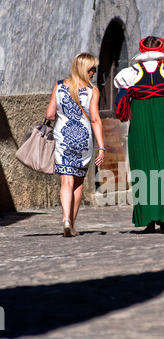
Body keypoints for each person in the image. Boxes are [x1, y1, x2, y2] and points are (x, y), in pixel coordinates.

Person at [114, 36, 164, 233]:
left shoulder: (130, 74)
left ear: (142, 48)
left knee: (144, 167)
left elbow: (121, 99)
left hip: (141, 118)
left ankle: (148, 219)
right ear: (162, 48)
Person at [46, 52, 105, 237]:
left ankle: (65, 219)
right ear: (84, 69)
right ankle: (72, 225)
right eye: (91, 69)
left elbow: (49, 115)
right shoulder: (92, 91)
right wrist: (101, 147)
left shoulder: (60, 85)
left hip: (63, 137)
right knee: (77, 183)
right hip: (83, 139)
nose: (94, 73)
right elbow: (95, 119)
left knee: (66, 181)